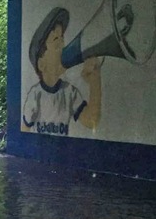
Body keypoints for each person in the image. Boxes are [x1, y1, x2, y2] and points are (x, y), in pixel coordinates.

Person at [22, 7, 102, 136]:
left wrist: (95, 81)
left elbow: (91, 120)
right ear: (41, 64)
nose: (63, 45)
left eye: (62, 39)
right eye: (56, 41)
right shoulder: (35, 94)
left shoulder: (70, 92)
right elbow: (25, 128)